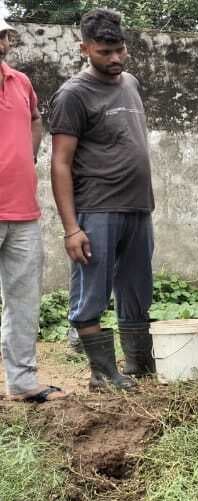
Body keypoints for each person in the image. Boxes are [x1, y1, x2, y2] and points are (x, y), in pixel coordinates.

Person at [49, 8, 155, 392]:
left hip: (138, 206)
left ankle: (140, 363)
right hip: (96, 208)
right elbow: (60, 163)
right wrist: (72, 228)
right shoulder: (73, 95)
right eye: (104, 52)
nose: (114, 59)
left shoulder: (130, 83)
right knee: (92, 291)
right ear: (85, 49)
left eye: (119, 51)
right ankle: (101, 374)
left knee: (138, 289)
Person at [0, 18, 63, 403]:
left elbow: (37, 119)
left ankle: (22, 382)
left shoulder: (20, 82)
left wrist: (30, 150)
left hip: (23, 211)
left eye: (2, 36)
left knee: (23, 299)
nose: (2, 43)